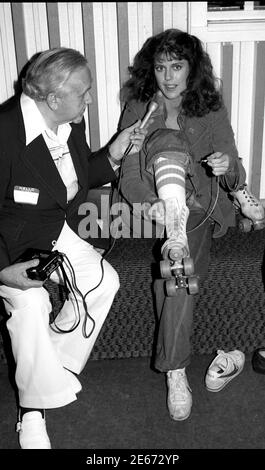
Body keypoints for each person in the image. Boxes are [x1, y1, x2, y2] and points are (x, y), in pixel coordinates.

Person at [0, 47, 148, 449]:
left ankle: (55, 362)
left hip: (51, 232)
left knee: (103, 280)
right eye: (83, 92)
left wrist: (114, 154)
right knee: (31, 308)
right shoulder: (4, 135)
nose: (90, 100)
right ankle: (32, 410)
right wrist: (1, 271)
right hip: (9, 246)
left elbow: (72, 182)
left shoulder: (69, 125)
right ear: (52, 99)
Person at [116, 28, 259, 421]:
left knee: (178, 272)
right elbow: (128, 174)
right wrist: (149, 205)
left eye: (177, 66)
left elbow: (232, 168)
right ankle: (177, 369)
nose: (168, 76)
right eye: (161, 67)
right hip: (154, 206)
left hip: (197, 207)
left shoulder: (208, 106)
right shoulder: (139, 106)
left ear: (191, 69)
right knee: (165, 143)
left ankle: (175, 371)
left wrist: (228, 168)